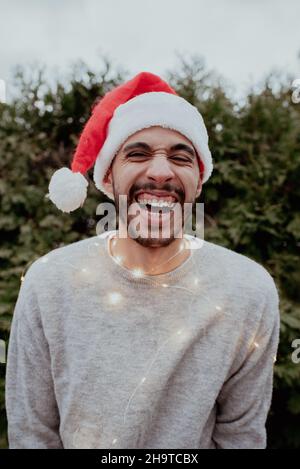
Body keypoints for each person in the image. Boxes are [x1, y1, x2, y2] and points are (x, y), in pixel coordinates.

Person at [5, 72, 280, 449]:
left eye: (181, 158)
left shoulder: (248, 292)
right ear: (108, 176)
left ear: (198, 182)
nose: (161, 171)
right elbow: (32, 437)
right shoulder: (49, 283)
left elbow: (240, 439)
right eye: (138, 153)